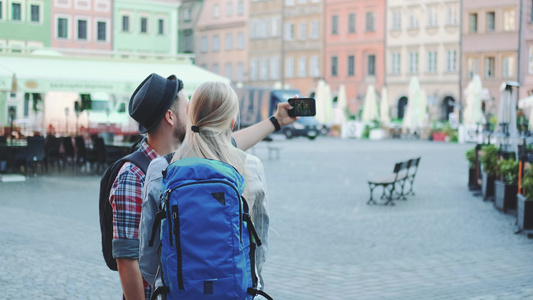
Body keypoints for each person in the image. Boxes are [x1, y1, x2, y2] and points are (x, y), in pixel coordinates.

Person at [110, 73, 297, 300]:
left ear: (190, 117)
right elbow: (258, 250)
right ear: (231, 123)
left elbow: (148, 260)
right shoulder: (249, 166)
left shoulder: (161, 168)